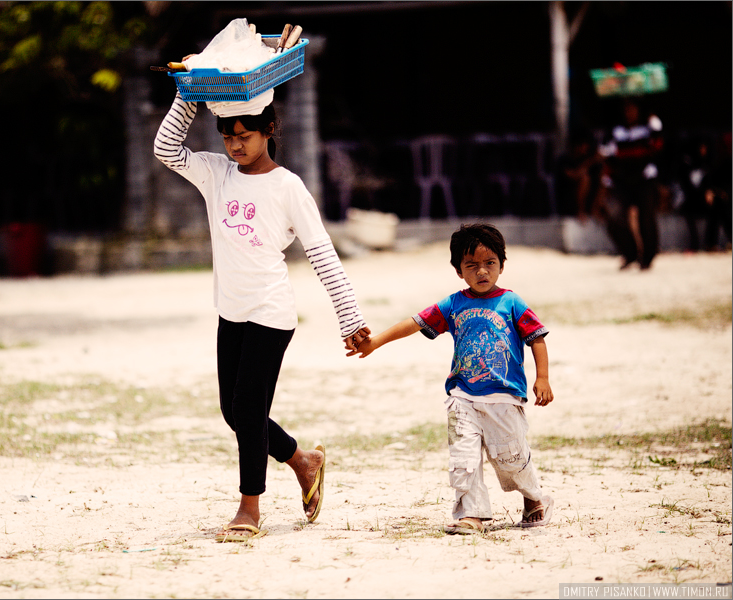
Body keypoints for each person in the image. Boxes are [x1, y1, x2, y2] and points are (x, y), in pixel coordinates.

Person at [154, 91, 371, 542]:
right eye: (229, 136)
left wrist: (349, 318)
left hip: (271, 312)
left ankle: (248, 508)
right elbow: (166, 149)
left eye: (245, 135)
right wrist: (187, 93)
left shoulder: (288, 186)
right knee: (233, 412)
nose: (236, 145)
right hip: (229, 311)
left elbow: (322, 254)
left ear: (269, 131)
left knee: (249, 409)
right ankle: (303, 461)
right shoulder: (217, 174)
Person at [346, 223, 554, 534]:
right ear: (459, 270)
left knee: (510, 458)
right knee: (463, 457)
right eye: (472, 266)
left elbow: (536, 338)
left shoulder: (512, 303)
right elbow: (414, 322)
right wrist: (375, 342)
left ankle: (534, 498)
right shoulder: (453, 304)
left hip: (504, 397)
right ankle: (471, 514)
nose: (482, 271)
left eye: (490, 264)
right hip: (462, 395)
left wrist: (543, 378)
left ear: (501, 265)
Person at [599, 99, 664, 270]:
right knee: (613, 216)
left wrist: (655, 125)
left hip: (644, 179)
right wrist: (607, 180)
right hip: (622, 181)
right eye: (626, 109)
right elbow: (609, 158)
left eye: (632, 109)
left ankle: (648, 258)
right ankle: (630, 254)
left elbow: (659, 148)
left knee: (646, 218)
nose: (629, 113)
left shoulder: (649, 128)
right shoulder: (616, 131)